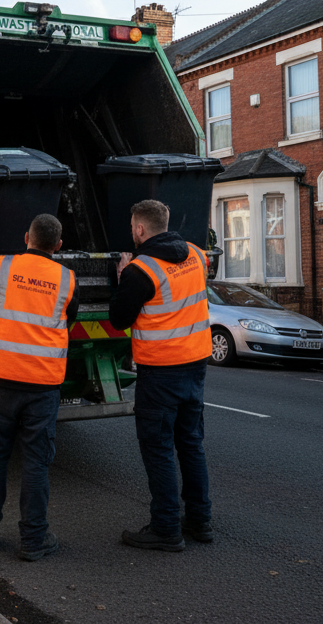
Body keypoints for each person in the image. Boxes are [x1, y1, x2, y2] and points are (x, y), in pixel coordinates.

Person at [0, 214, 78, 561]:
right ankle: (34, 540)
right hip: (43, 384)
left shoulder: (3, 267)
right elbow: (71, 319)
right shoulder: (68, 280)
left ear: (26, 237)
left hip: (2, 380)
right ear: (58, 246)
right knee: (37, 462)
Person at [108, 199, 213, 552]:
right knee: (190, 444)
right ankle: (200, 521)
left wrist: (123, 277)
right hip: (196, 365)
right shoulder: (197, 255)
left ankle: (166, 527)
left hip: (161, 371)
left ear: (139, 229)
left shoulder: (141, 271)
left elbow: (120, 319)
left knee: (158, 448)